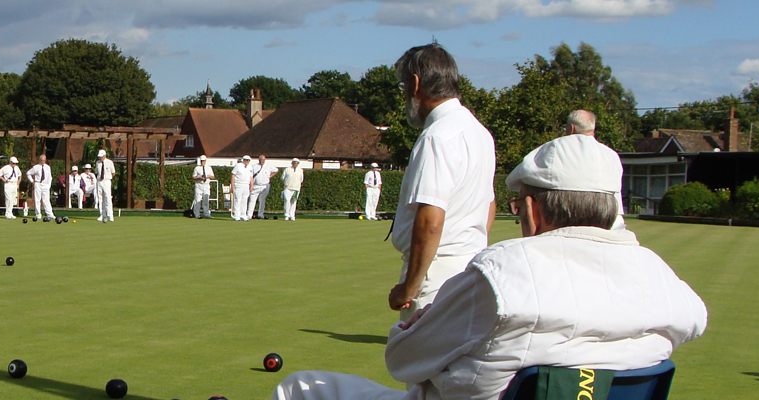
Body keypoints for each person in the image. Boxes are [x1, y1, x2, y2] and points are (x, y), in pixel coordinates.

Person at [272, 134, 707, 400]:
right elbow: (691, 320)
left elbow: (403, 362)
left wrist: (413, 327)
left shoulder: (505, 270)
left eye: (518, 208)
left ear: (533, 211)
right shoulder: (662, 279)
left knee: (300, 389)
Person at [387, 43, 496, 322]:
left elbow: (430, 221)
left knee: (418, 365)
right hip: (470, 272)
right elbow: (489, 206)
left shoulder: (436, 136)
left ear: (415, 84)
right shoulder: (480, 133)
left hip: (435, 278)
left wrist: (409, 288)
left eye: (403, 87)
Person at [564, 110, 627, 231]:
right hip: (615, 219)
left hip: (585, 221)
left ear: (571, 128)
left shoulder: (566, 151)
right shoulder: (612, 154)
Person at [26, 155, 55, 221]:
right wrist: (32, 181)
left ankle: (50, 214)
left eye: (44, 160)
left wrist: (48, 185)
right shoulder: (36, 167)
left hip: (45, 185)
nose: (42, 161)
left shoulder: (48, 167)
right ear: (39, 160)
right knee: (37, 199)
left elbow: (50, 177)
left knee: (46, 200)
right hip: (38, 183)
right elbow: (28, 173)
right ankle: (38, 214)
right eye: (41, 160)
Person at [249, 155, 277, 220]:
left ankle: (260, 214)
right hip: (256, 185)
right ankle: (249, 214)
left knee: (262, 200)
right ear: (259, 160)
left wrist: (269, 176)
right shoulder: (254, 166)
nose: (262, 161)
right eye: (261, 159)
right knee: (252, 200)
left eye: (263, 159)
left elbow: (276, 170)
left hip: (265, 186)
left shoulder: (268, 166)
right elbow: (250, 175)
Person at [94, 150, 116, 222]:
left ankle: (110, 215)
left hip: (106, 181)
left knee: (108, 197)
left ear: (104, 155)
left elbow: (113, 173)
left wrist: (108, 178)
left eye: (101, 156)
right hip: (99, 181)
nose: (100, 158)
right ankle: (102, 215)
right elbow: (97, 172)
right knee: (100, 198)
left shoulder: (110, 162)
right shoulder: (97, 163)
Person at [230, 156, 253, 221]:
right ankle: (237, 215)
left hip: (246, 185)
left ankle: (243, 215)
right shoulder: (238, 165)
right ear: (243, 160)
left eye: (248, 160)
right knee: (237, 199)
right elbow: (233, 175)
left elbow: (251, 177)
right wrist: (232, 185)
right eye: (246, 160)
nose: (247, 161)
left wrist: (251, 186)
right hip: (238, 184)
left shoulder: (250, 167)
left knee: (244, 200)